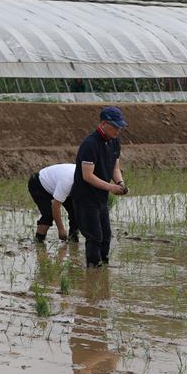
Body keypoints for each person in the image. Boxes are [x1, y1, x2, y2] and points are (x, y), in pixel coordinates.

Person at [72, 106, 128, 267]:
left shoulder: (115, 141)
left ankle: (103, 271)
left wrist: (120, 183)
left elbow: (114, 168)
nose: (118, 130)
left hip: (101, 197)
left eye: (120, 127)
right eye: (115, 126)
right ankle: (93, 269)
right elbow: (87, 176)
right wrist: (111, 188)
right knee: (94, 236)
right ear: (103, 124)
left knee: (106, 236)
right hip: (85, 198)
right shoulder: (90, 144)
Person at [28, 163, 79, 242]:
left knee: (75, 212)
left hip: (56, 181)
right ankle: (39, 241)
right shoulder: (67, 182)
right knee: (48, 214)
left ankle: (73, 240)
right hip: (39, 183)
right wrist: (61, 229)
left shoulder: (86, 179)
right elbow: (55, 206)